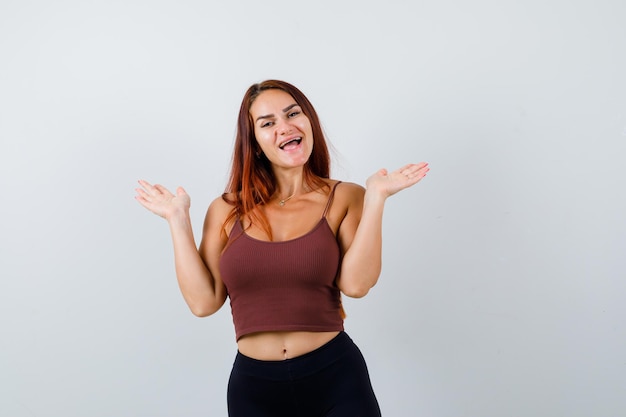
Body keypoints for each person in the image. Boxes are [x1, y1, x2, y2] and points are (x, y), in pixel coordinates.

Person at [135, 79, 429, 416]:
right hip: (254, 388)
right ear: (255, 142)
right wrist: (177, 219)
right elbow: (203, 303)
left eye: (293, 114)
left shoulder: (346, 197)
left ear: (309, 123)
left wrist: (377, 197)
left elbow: (357, 284)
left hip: (335, 377)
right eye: (268, 123)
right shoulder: (226, 209)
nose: (285, 127)